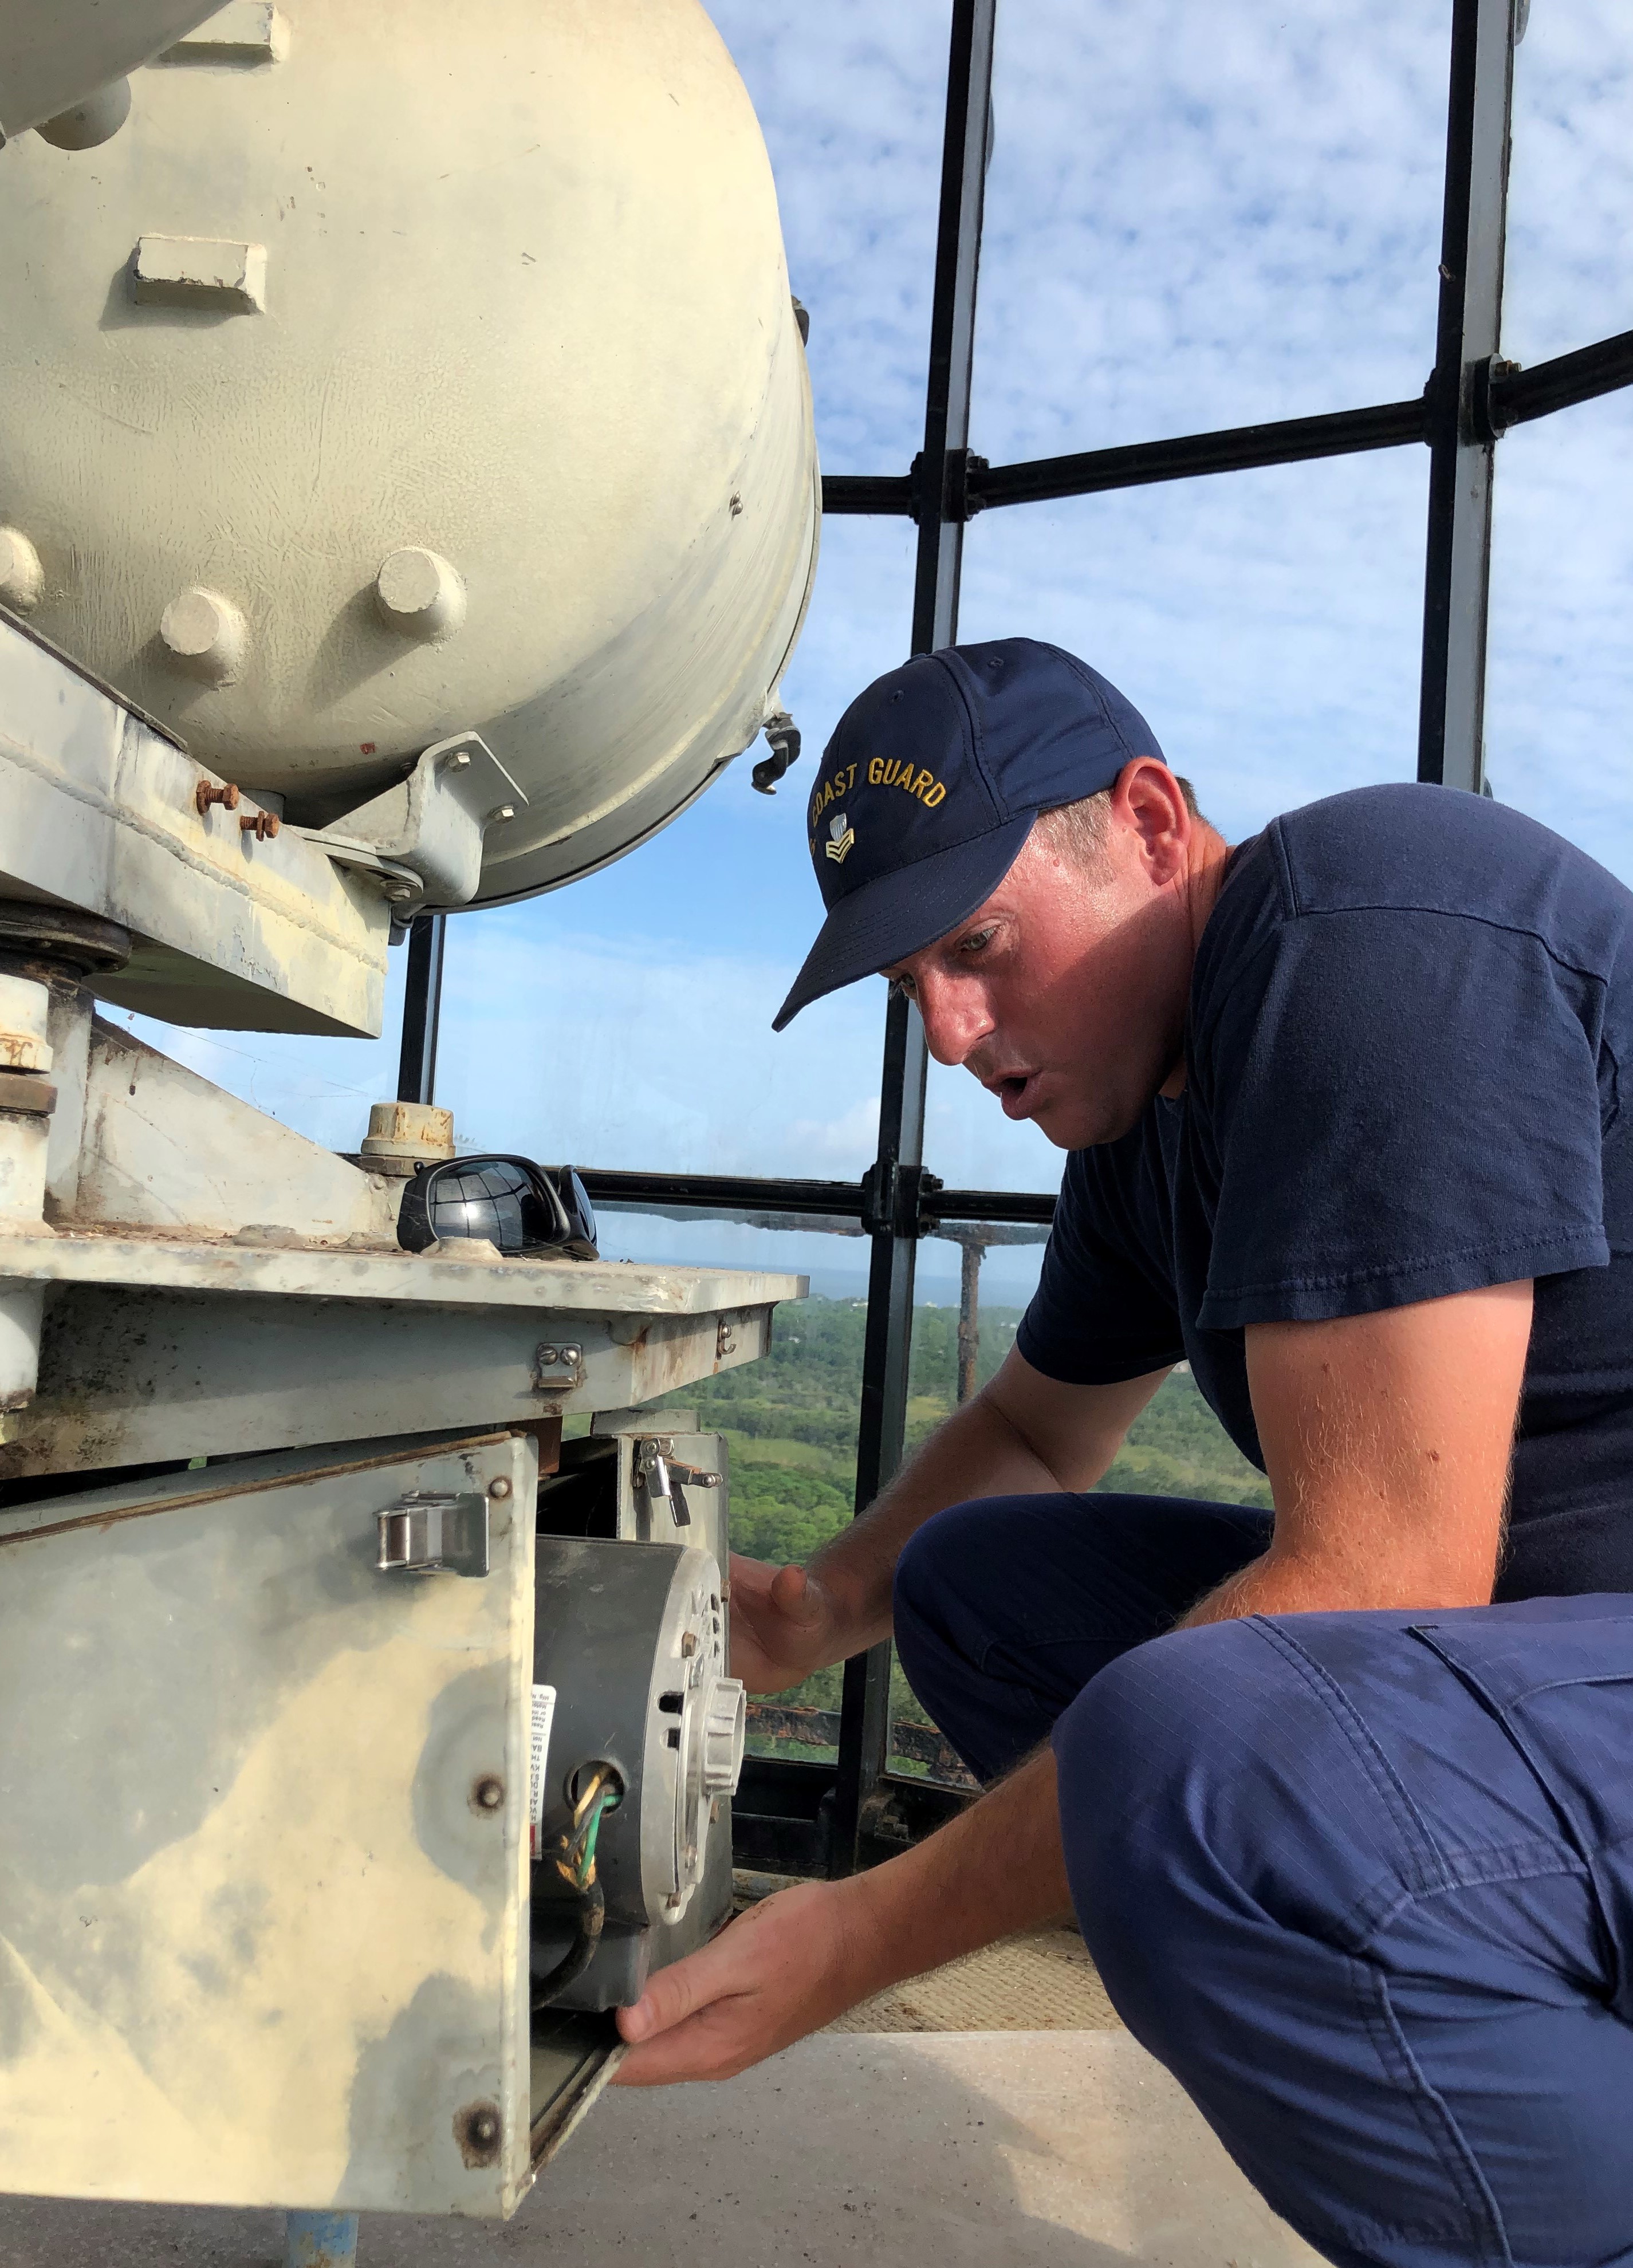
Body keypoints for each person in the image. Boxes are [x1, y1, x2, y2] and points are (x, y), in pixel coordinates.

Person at [612, 637, 1633, 2268]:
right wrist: (810, 1612)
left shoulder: (1372, 930)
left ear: (1152, 823)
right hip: (1553, 1660)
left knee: (1184, 1749)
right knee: (980, 1591)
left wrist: (859, 1932)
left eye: (980, 945)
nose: (948, 1035)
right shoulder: (1151, 1119)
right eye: (911, 989)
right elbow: (1034, 1428)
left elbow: (1380, 1576)